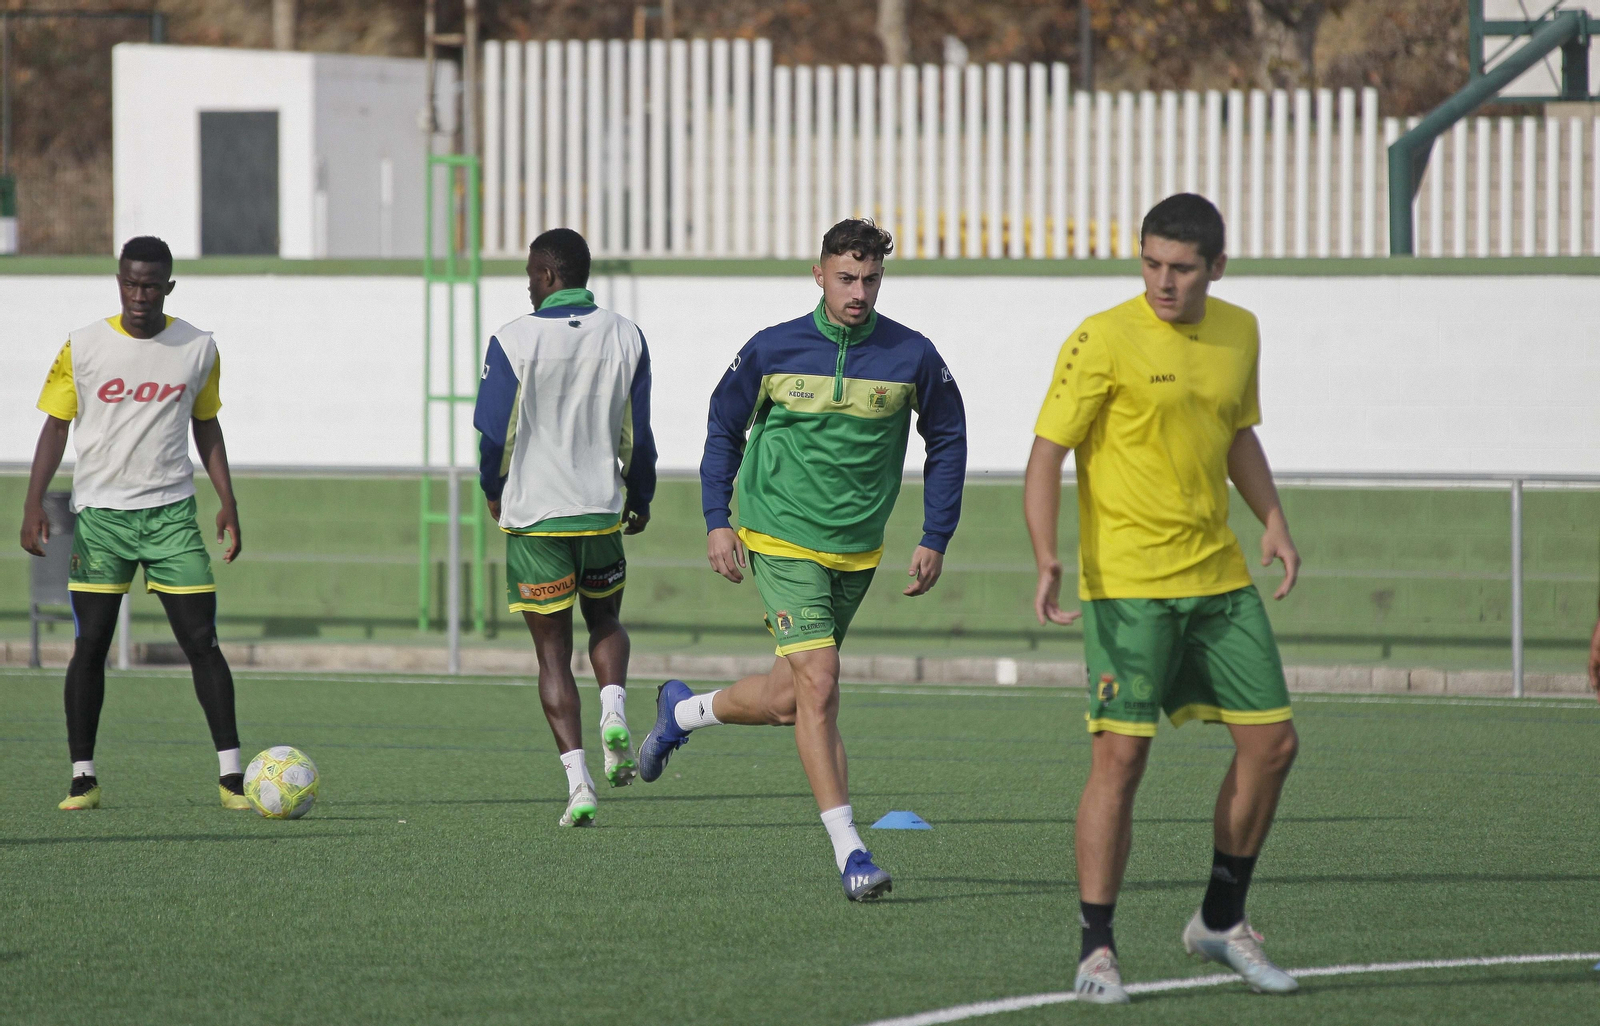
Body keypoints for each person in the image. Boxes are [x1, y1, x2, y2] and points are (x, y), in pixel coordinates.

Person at [634, 218, 967, 901]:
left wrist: (936, 533)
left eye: (871, 279)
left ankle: (683, 713)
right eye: (846, 278)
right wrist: (717, 521)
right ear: (819, 274)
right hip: (779, 536)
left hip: (856, 551)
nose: (859, 292)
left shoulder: (913, 356)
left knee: (791, 698)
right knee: (820, 680)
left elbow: (949, 437)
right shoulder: (772, 348)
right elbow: (723, 427)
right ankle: (852, 852)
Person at [1022, 194, 1303, 1002]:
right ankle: (1096, 950)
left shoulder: (1239, 331)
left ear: (1217, 267)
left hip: (1218, 581)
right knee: (1122, 758)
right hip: (1128, 590)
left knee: (1274, 746)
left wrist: (1274, 521)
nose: (1163, 282)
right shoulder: (1102, 336)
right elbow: (1046, 454)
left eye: (1181, 268)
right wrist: (1046, 556)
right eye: (1150, 263)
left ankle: (1220, 919)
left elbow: (1236, 432)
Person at [21, 235, 248, 812]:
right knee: (89, 645)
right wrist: (32, 502)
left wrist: (227, 499)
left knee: (203, 643)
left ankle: (232, 779)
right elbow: (55, 427)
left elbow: (207, 427)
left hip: (172, 516)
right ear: (118, 281)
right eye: (129, 283)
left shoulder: (198, 347)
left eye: (150, 285)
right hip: (101, 520)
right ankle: (83, 778)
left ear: (167, 286)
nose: (138, 294)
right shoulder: (83, 345)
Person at [473, 227, 656, 828]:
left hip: (536, 520)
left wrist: (493, 489)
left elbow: (492, 435)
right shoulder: (627, 335)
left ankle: (579, 787)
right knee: (606, 619)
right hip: (601, 508)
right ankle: (614, 711)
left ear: (550, 274)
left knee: (552, 654)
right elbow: (639, 433)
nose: (527, 284)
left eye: (531, 273)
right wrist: (640, 494)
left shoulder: (512, 339)